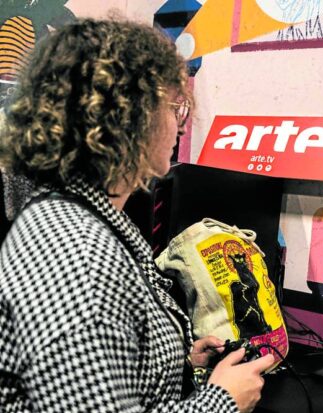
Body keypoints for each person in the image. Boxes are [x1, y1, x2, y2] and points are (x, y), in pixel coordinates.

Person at [0, 18, 274, 413]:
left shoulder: (86, 216)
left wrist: (181, 364)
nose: (179, 124)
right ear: (128, 118)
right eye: (172, 106)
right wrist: (221, 401)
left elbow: (100, 362)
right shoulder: (76, 255)